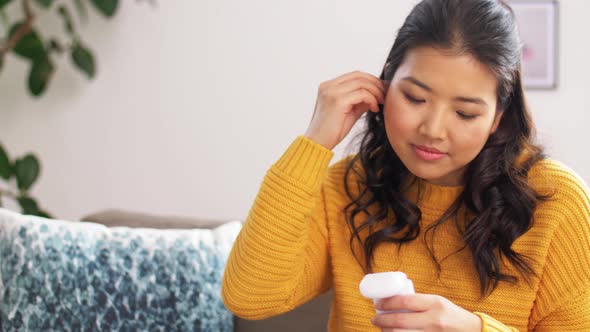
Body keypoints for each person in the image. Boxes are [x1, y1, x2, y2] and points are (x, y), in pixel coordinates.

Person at [221, 0, 590, 330]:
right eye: (414, 98)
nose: (432, 130)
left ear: (497, 117)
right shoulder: (349, 185)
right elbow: (250, 296)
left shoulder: (556, 202)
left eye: (464, 113)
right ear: (385, 84)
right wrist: (315, 142)